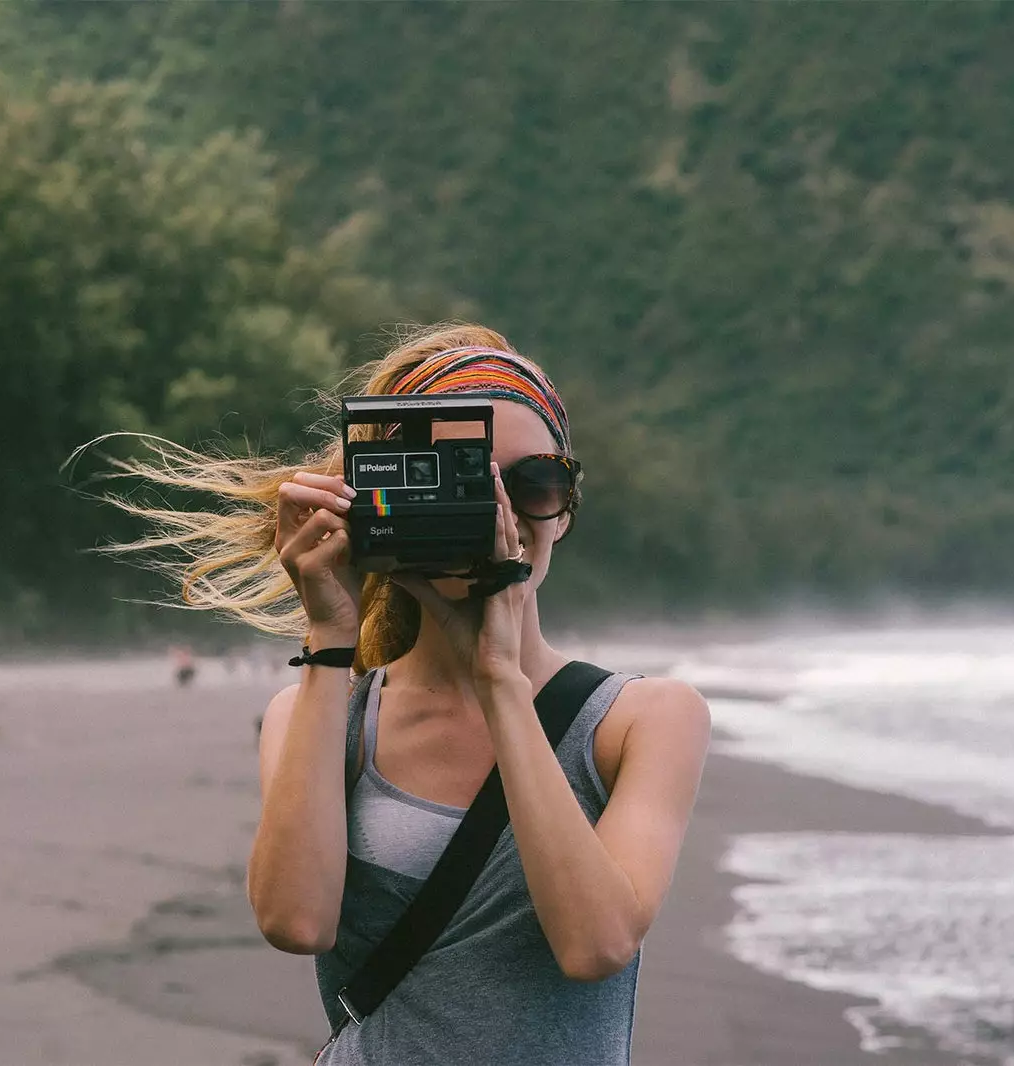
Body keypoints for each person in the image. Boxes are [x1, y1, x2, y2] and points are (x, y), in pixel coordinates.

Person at [104, 323, 711, 1064]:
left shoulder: (643, 720)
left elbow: (596, 944)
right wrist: (330, 632)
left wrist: (501, 682)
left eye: (534, 485)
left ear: (567, 509)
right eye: (463, 479)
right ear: (388, 494)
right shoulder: (320, 715)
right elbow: (295, 921)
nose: (501, 515)